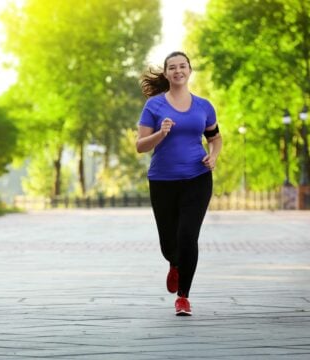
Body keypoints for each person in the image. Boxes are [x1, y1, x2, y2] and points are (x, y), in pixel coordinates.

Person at [136, 51, 223, 316]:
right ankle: (174, 263)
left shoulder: (204, 106)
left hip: (198, 178)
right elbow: (140, 146)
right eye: (172, 67)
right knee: (168, 241)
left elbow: (215, 138)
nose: (178, 71)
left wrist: (214, 156)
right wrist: (161, 133)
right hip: (163, 181)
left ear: (189, 70)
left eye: (182, 66)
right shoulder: (154, 106)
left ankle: (183, 297)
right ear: (166, 73)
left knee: (188, 236)